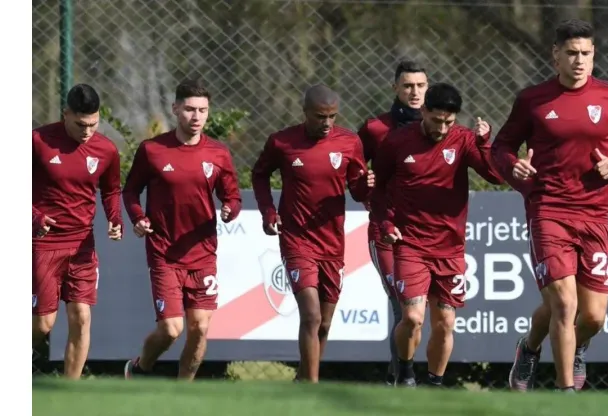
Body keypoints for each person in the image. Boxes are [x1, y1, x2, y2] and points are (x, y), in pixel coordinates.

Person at [491, 19, 608, 392]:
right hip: (548, 211)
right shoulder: (532, 99)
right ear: (555, 56)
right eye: (572, 53)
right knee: (564, 303)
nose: (580, 61)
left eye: (586, 54)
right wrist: (516, 168)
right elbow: (500, 148)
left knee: (591, 316)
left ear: (593, 56)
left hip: (595, 212)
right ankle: (565, 394)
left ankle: (532, 347)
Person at [371, 83, 503, 387]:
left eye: (449, 122)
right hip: (410, 245)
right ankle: (404, 372)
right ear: (424, 111)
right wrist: (386, 224)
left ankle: (434, 385)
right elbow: (378, 191)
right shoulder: (397, 142)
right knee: (414, 317)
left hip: (450, 250)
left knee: (445, 323)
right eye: (436, 120)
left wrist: (484, 143)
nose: (442, 128)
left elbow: (495, 176)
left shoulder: (465, 140)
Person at [251, 85, 374, 383]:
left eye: (332, 116)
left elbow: (356, 191)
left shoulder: (349, 142)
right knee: (312, 316)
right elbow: (259, 174)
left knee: (325, 324)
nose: (327, 123)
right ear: (305, 112)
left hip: (332, 242)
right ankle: (313, 390)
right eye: (321, 116)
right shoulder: (282, 142)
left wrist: (367, 185)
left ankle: (302, 380)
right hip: (296, 240)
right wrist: (268, 211)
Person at [122, 79, 242, 380]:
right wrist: (137, 216)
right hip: (164, 253)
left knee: (200, 328)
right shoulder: (152, 150)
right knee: (171, 329)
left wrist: (230, 209)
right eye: (189, 109)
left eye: (202, 110)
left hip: (202, 255)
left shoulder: (218, 154)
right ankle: (139, 368)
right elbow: (131, 192)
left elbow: (233, 196)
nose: (196, 116)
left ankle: (182, 394)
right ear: (176, 109)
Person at [32, 84, 123, 379]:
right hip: (42, 242)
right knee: (43, 324)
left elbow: (111, 191)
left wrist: (114, 217)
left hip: (83, 245)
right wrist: (34, 216)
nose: (87, 131)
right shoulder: (37, 141)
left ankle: (71, 392)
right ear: (66, 114)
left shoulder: (106, 149)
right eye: (81, 124)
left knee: (81, 317)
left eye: (94, 124)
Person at [357, 60, 428, 385]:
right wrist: (365, 184)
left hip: (426, 234)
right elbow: (354, 175)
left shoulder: (438, 126)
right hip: (385, 231)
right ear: (395, 88)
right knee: (404, 308)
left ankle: (396, 379)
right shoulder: (375, 129)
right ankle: (403, 379)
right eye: (408, 86)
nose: (414, 93)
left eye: (420, 86)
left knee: (417, 315)